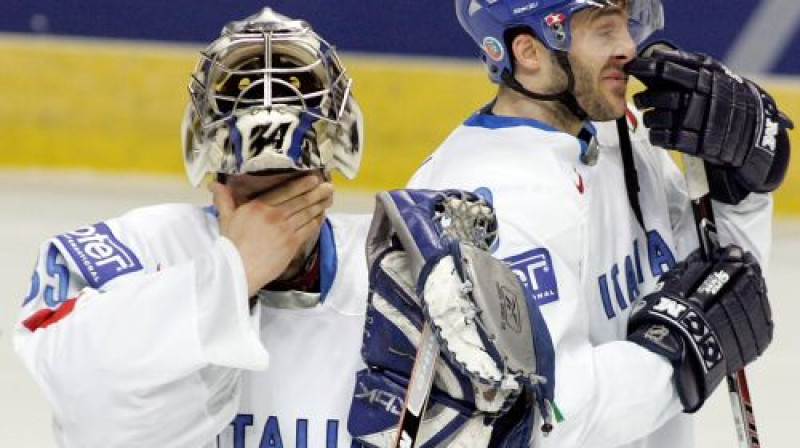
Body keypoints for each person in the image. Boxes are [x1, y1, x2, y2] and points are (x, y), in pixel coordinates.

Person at [399, 0, 789, 447]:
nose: (628, 47)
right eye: (604, 31)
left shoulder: (619, 132)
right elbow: (545, 419)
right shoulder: (486, 204)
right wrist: (678, 355)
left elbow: (726, 295)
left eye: (626, 25)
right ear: (528, 51)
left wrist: (739, 191)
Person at [14, 8, 371, 448]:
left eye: (291, 184)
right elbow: (91, 416)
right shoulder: (137, 251)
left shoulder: (400, 268)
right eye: (254, 192)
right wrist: (230, 274)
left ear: (331, 165)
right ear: (214, 173)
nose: (276, 219)